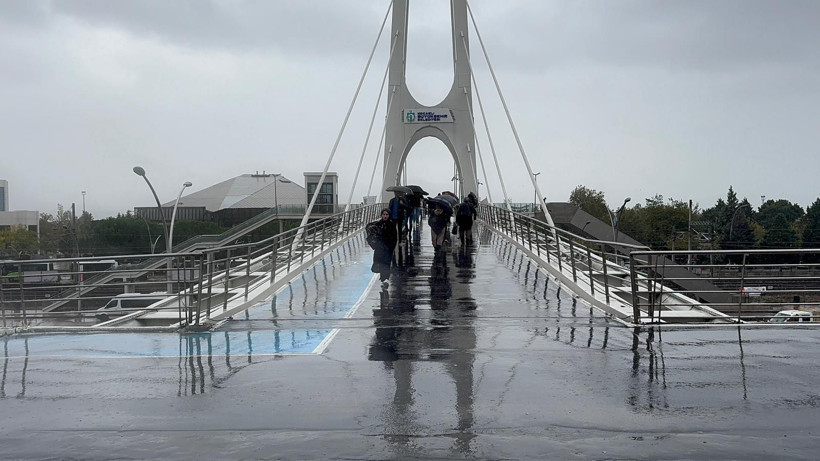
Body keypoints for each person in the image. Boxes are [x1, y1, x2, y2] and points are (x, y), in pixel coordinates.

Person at [367, 209, 398, 288]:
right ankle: (383, 279)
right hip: (379, 248)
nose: (385, 216)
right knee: (380, 263)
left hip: (388, 247)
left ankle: (385, 279)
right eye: (384, 214)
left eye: (387, 214)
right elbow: (370, 230)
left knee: (386, 263)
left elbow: (394, 237)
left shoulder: (391, 225)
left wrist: (391, 247)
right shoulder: (378, 224)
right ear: (381, 215)